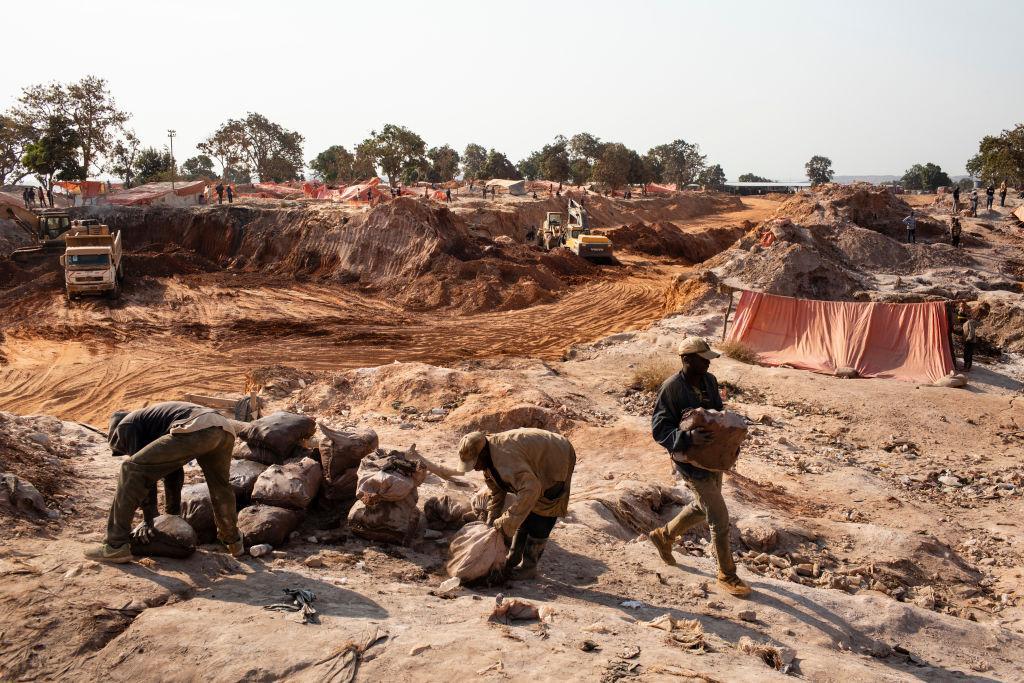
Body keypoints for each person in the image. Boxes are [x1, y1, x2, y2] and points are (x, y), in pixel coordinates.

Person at [647, 337, 752, 598]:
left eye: (708, 358)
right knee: (719, 517)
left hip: (712, 458)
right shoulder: (671, 388)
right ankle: (727, 574)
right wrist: (687, 438)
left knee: (702, 507)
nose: (707, 363)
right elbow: (659, 429)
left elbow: (716, 415)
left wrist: (730, 438)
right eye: (702, 358)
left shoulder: (710, 382)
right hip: (689, 462)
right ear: (686, 360)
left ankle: (664, 536)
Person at [84, 401, 243, 563]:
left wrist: (149, 519)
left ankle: (115, 545)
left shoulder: (126, 425)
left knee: (130, 468)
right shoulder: (154, 421)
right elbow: (173, 471)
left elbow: (142, 474)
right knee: (220, 487)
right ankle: (233, 541)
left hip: (196, 425)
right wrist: (172, 515)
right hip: (224, 428)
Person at [456, 427, 576, 580]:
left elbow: (531, 490)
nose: (475, 468)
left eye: (475, 463)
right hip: (534, 457)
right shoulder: (488, 463)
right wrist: (491, 523)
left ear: (483, 453)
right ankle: (513, 558)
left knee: (543, 510)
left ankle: (529, 567)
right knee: (523, 512)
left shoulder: (506, 460)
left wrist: (505, 523)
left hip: (556, 455)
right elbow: (497, 493)